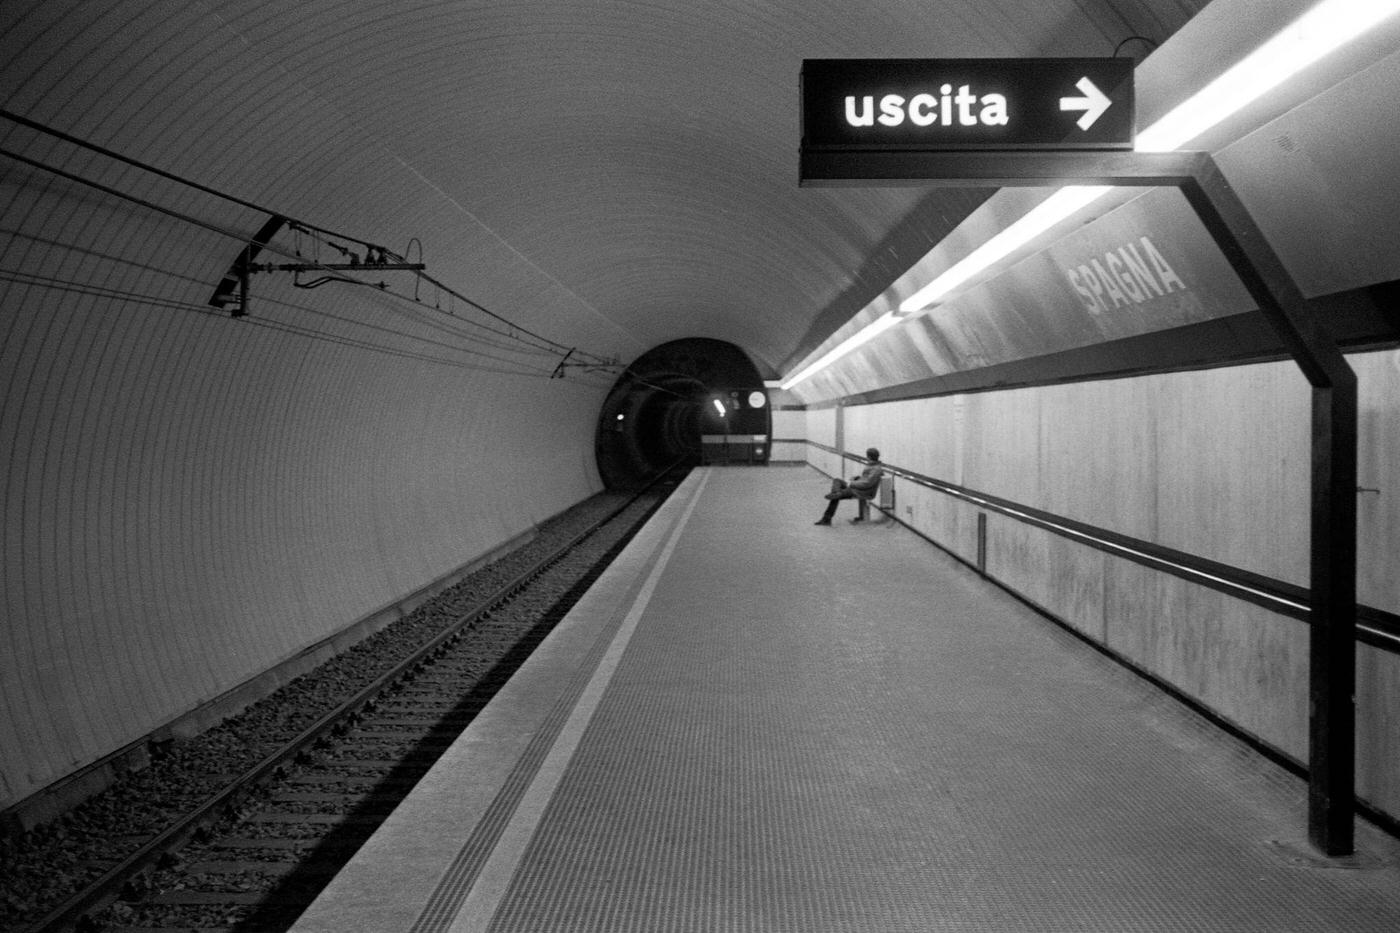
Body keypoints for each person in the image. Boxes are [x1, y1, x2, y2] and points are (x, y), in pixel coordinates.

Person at [814, 448, 884, 525]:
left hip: (862, 491)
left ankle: (826, 519)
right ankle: (836, 493)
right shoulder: (872, 466)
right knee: (837, 481)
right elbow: (865, 479)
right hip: (857, 487)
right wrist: (857, 478)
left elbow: (867, 484)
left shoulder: (876, 469)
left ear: (869, 457)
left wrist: (851, 484)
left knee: (836, 496)